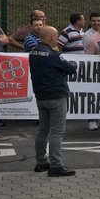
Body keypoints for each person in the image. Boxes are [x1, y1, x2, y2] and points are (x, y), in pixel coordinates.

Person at [29, 26, 78, 176]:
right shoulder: (53, 55)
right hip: (56, 96)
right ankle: (56, 165)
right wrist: (58, 53)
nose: (57, 39)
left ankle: (41, 162)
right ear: (52, 38)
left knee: (43, 130)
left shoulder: (33, 52)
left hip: (41, 97)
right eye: (56, 36)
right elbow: (70, 69)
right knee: (57, 132)